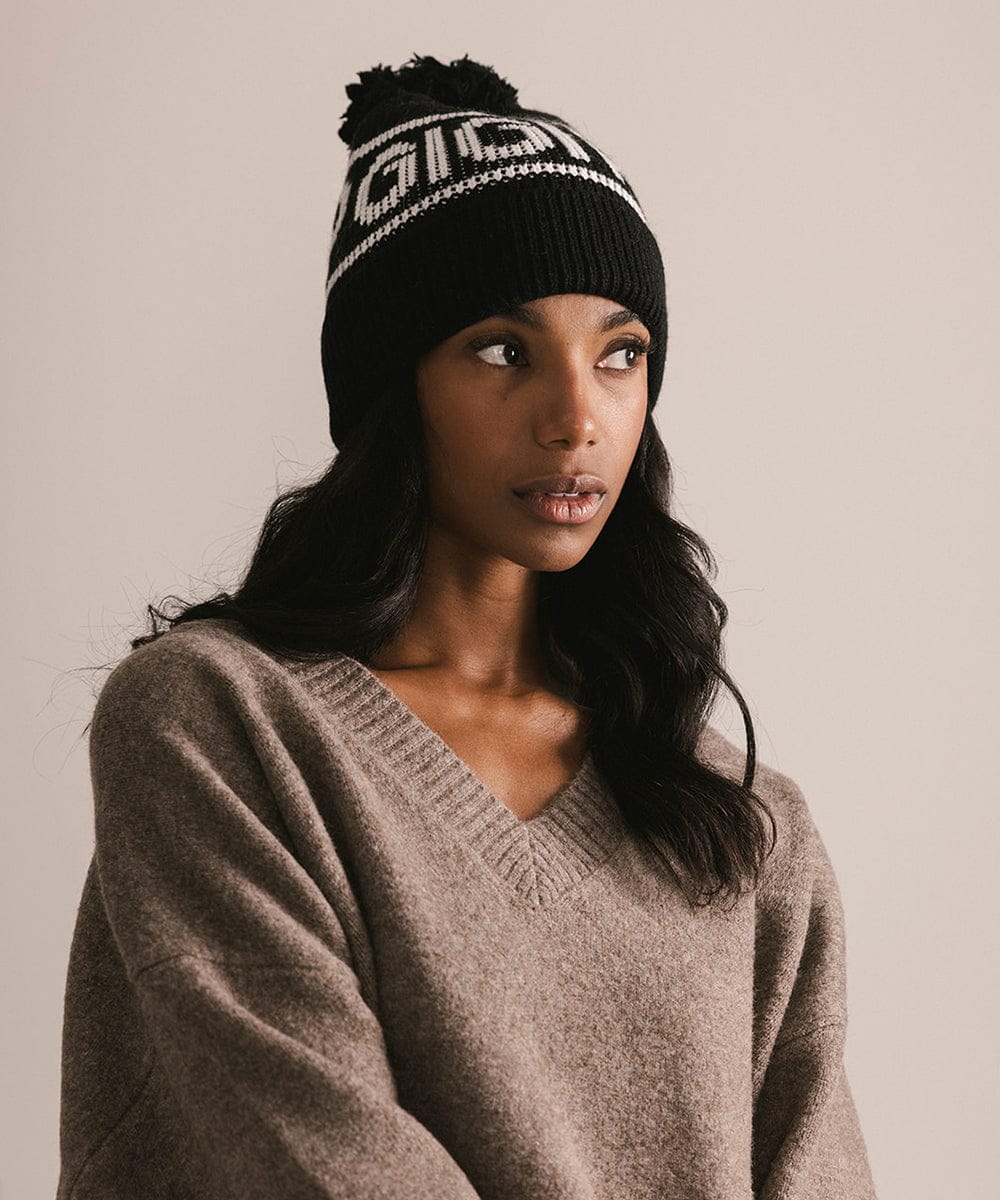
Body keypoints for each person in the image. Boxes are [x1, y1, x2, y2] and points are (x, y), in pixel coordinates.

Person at [56, 54, 878, 1199]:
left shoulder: (743, 826)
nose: (575, 417)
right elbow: (315, 1160)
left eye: (621, 354)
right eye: (503, 350)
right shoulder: (219, 726)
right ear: (395, 386)